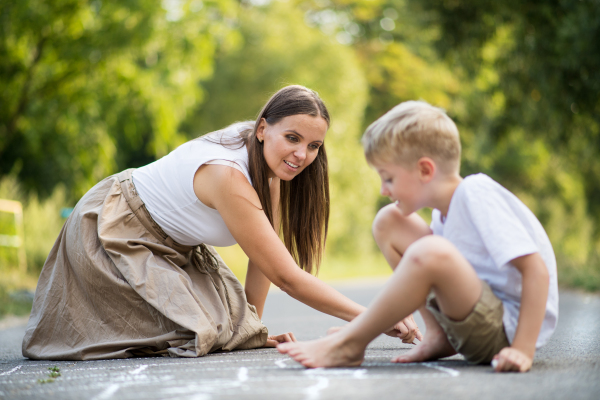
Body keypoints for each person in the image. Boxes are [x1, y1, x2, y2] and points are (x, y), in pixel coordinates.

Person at [22, 85, 422, 361]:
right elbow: (288, 277)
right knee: (202, 333)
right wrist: (373, 317)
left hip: (172, 249)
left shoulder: (271, 171)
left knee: (231, 329)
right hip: (115, 231)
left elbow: (265, 263)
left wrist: (253, 330)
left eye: (313, 145)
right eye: (293, 138)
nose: (302, 155)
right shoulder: (229, 175)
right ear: (263, 128)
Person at [277, 100, 559, 373]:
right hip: (472, 320)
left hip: (504, 332)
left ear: (425, 170)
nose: (383, 190)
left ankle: (350, 344)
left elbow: (536, 270)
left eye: (388, 178)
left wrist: (522, 349)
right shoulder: (443, 215)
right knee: (388, 221)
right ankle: (438, 336)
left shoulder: (476, 194)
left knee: (432, 252)